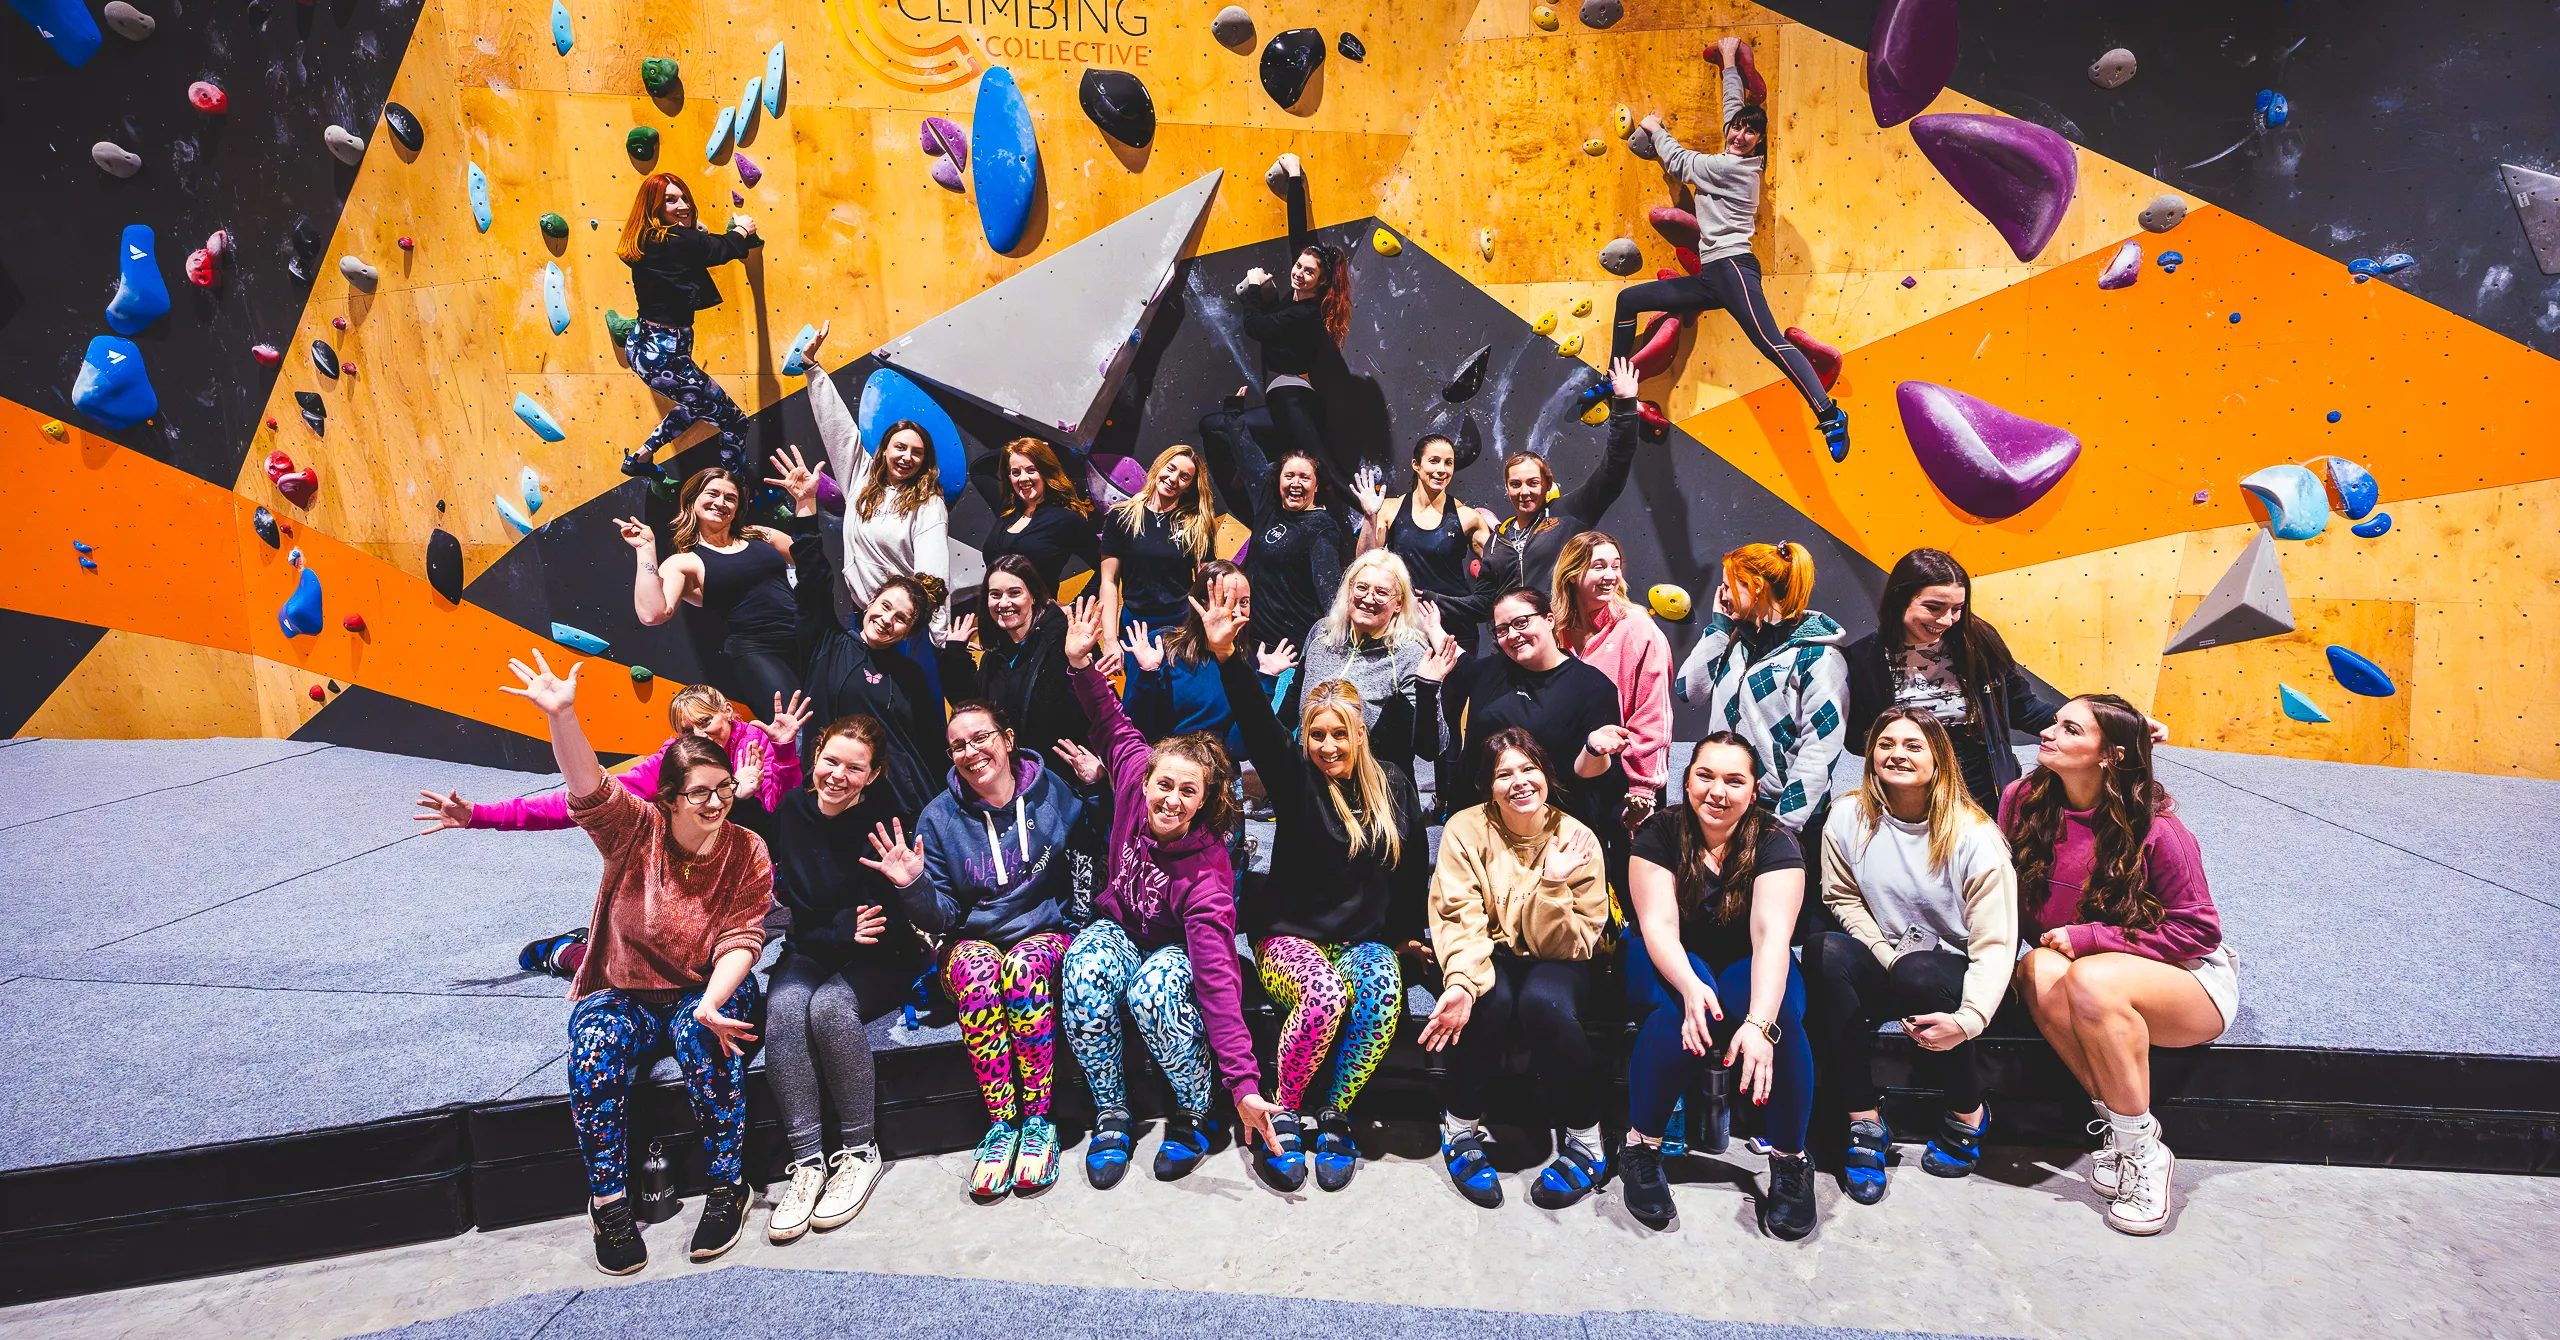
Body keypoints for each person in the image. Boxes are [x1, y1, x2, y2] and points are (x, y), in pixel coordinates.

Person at [496, 650, 771, 1275]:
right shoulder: (633, 829)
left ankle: (729, 1185)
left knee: (704, 1035)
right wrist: (563, 717)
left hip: (703, 989)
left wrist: (710, 1002)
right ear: (669, 798)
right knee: (592, 1045)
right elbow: (587, 785)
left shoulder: (747, 849)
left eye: (725, 789)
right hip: (626, 990)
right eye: (700, 793)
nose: (716, 802)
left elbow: (743, 938)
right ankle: (610, 1202)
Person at [1199, 579, 1429, 1194]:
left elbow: (1410, 870)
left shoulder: (1396, 786)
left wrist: (1407, 936)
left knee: (1383, 994)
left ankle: (1335, 1115)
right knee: (1322, 995)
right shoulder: (1296, 777)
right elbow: (1254, 717)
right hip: (1289, 937)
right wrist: (1228, 657)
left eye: (1339, 734)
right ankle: (1288, 1110)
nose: (1328, 746)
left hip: (1362, 939)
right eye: (1317, 734)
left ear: (1360, 735)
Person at [1055, 597, 1282, 1188]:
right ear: (1146, 780)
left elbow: (1215, 980)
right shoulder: (1132, 774)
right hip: (1124, 927)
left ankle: (1199, 1112)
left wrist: (1246, 1086)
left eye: (1188, 792)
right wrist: (1081, 667)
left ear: (1204, 802)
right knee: (1083, 963)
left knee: (1156, 989)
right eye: (1165, 785)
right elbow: (1110, 721)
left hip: (1176, 950)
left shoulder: (1207, 876)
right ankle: (1112, 1113)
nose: (1171, 800)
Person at [2004, 695, 2235, 1237]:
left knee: (2090, 975)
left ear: (2108, 755)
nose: (2047, 733)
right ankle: (2129, 1134)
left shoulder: (2160, 830)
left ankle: (2145, 1157)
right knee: (2035, 968)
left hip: (2187, 981)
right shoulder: (2022, 800)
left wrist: (2091, 938)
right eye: (2053, 723)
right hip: (2090, 976)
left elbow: (2197, 931)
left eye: (2069, 730)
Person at [415, 684, 805, 979]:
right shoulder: (674, 762)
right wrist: (481, 815)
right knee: (658, 972)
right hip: (692, 876)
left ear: (728, 713)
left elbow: (786, 815)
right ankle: (569, 952)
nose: (700, 734)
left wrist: (784, 753)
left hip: (759, 874)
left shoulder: (754, 745)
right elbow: (585, 802)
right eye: (688, 729)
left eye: (706, 721)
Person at [865, 699, 1086, 1200]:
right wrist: (914, 887)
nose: (971, 750)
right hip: (972, 939)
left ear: (1006, 739)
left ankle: (1038, 1122)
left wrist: (1095, 785)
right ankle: (1002, 1125)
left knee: (1025, 973)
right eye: (958, 745)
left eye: (980, 737)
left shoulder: (1053, 793)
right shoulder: (938, 818)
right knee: (977, 973)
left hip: (1042, 932)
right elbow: (940, 917)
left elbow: (1089, 843)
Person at [1802, 709, 2016, 1207]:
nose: (1897, 754)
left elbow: (1997, 942)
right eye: (1886, 743)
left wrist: (1970, 1018)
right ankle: (1864, 1122)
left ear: (1939, 760)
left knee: (1920, 974)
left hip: (1958, 973)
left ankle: (1967, 1113)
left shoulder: (1975, 837)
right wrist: (1883, 953)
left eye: (1913, 746)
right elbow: (1841, 898)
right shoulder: (1847, 815)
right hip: (1892, 956)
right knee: (1823, 952)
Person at [1617, 734, 1817, 1239]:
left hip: (1747, 957)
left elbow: (1773, 937)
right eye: (1705, 775)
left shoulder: (1776, 841)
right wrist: (1689, 987)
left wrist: (1760, 1023)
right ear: (1687, 778)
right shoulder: (1659, 832)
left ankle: (1791, 1160)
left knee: (1782, 1020)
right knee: (1687, 1012)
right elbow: (1659, 926)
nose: (1717, 791)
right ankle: (1641, 1146)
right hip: (1666, 954)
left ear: (1753, 791)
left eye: (1734, 780)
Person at [1622, 39, 1850, 462]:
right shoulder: (1738, 149)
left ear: (1759, 143)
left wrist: (1655, 129)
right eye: (1738, 129)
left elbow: (1682, 164)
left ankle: (1831, 414)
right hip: (1711, 275)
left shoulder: (1732, 170)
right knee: (1628, 299)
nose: (1739, 135)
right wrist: (1729, 63)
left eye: (1750, 133)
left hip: (1731, 267)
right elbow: (1733, 114)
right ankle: (1612, 378)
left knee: (1771, 343)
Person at [1420, 731, 1609, 1210]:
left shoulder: (1577, 838)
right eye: (1505, 774)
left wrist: (1551, 882)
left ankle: (1587, 1136)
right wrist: (1462, 981)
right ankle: (1460, 1125)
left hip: (1561, 957)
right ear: (1488, 786)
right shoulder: (1465, 829)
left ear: (1547, 775)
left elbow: (1573, 942)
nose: (1519, 782)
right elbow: (1459, 916)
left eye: (1529, 769)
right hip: (1488, 951)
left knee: (1543, 1004)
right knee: (1486, 1000)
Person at [1845, 548, 2167, 816]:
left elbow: (2023, 707)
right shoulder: (1864, 658)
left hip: (1984, 782)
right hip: (1910, 788)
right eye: (1933, 607)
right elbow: (1855, 739)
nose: (1946, 620)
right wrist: (1909, 746)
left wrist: (2117, 725)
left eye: (1957, 609)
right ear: (1900, 599)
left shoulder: (1978, 641)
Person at [760, 714, 920, 1242]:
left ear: (872, 776)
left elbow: (882, 925)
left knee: (828, 1007)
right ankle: (806, 1164)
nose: (838, 775)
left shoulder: (885, 822)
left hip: (884, 955)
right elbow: (800, 910)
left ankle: (859, 1150)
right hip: (817, 944)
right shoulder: (792, 811)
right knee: (783, 1010)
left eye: (855, 768)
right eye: (831, 760)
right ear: (816, 756)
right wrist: (836, 930)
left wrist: (838, 929)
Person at [769, 448, 945, 815]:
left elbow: (930, 746)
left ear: (909, 631)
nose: (887, 619)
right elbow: (815, 578)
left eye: (901, 618)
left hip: (897, 807)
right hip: (828, 794)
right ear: (870, 602)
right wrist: (805, 506)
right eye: (884, 606)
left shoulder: (910, 677)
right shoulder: (827, 644)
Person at [1673, 541, 1850, 878]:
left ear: (1756, 588)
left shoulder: (1818, 658)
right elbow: (1687, 692)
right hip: (1724, 806)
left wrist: (1782, 830)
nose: (1721, 592)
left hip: (1779, 820)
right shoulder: (1735, 641)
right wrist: (1718, 629)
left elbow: (1820, 751)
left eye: (1729, 583)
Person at [1438, 587, 1629, 839]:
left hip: (1546, 827)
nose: (1513, 635)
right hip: (1477, 819)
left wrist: (1593, 749)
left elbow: (1595, 779)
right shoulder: (1490, 670)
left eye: (1521, 622)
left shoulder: (1592, 687)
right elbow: (1457, 658)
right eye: (1502, 629)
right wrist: (1429, 623)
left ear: (1549, 620)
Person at [796, 323, 950, 634]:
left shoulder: (929, 504)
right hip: (862, 615)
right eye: (900, 447)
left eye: (916, 453)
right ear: (884, 451)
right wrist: (812, 368)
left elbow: (934, 574)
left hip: (903, 626)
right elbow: (838, 429)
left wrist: (939, 637)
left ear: (925, 461)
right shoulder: (861, 478)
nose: (907, 457)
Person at [619, 467, 799, 716]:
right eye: (712, 494)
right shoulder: (684, 563)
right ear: (692, 500)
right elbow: (653, 614)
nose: (721, 503)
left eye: (730, 498)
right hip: (759, 651)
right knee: (794, 721)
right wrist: (646, 549)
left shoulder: (761, 535)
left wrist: (805, 500)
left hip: (807, 636)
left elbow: (811, 559)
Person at [615, 173, 760, 478]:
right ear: (653, 204)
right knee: (736, 423)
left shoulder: (645, 238)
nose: (681, 204)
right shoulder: (676, 241)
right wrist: (743, 229)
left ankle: (640, 458)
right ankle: (736, 488)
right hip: (668, 357)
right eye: (670, 199)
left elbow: (692, 249)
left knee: (698, 402)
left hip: (643, 348)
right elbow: (721, 248)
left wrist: (693, 230)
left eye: (683, 197)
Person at [1552, 530, 1673, 888]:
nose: (1610, 575)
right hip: (1570, 776)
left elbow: (1653, 716)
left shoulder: (1638, 630)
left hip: (1625, 780)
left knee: (1629, 879)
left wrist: (1642, 789)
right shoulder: (1555, 628)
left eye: (1615, 566)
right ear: (1573, 574)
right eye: (1598, 566)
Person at [1234, 152, 1358, 496]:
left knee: (1320, 461)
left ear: (1321, 282)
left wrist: (1253, 290)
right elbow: (1298, 233)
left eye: (1308, 272)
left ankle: (1363, 508)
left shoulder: (1306, 311)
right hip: (1285, 389)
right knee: (1304, 459)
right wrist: (1293, 178)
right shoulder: (1301, 294)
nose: (1298, 273)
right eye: (1299, 267)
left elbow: (1257, 328)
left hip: (1291, 391)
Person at [1475, 360, 1645, 608]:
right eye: (1516, 484)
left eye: (1533, 482)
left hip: (1564, 639)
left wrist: (1626, 405)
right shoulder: (1499, 539)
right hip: (1511, 643)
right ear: (1507, 489)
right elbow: (1481, 603)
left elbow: (1613, 470)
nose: (1524, 491)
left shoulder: (1568, 514)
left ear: (1547, 484)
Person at [1198, 398, 1345, 658]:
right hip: (1252, 639)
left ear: (1316, 486)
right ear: (1279, 480)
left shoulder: (1321, 528)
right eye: (1289, 476)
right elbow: (1249, 461)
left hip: (1289, 650)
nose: (1295, 483)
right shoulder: (1269, 507)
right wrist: (1234, 416)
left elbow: (1331, 595)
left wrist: (1336, 648)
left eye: (1304, 477)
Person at [1296, 550, 1446, 781]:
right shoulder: (1322, 633)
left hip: (1375, 790)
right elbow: (1293, 705)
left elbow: (1430, 749)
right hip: (1312, 783)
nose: (1368, 599)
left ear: (1399, 603)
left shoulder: (1410, 655)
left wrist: (1428, 688)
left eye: (1381, 592)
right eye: (1362, 587)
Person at [936, 556, 1092, 766]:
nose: (1004, 603)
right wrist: (954, 655)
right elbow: (974, 710)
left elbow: (1093, 712)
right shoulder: (996, 653)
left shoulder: (1066, 640)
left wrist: (1087, 672)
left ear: (1033, 596)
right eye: (995, 595)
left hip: (1062, 774)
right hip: (1013, 773)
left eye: (1014, 593)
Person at [1352, 434, 1495, 652]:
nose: (1441, 470)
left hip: (1455, 629)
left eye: (1448, 463)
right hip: (1407, 628)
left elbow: (1503, 566)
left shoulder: (1467, 518)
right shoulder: (1390, 509)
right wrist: (1370, 517)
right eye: (1434, 461)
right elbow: (1365, 563)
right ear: (1416, 465)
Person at [1099, 442, 1218, 636]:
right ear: (1159, 467)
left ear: (1189, 486)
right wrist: (1110, 639)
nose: (1173, 479)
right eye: (1170, 469)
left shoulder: (1197, 524)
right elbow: (1109, 582)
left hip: (1181, 624)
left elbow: (1206, 587)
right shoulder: (1121, 516)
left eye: (1184, 477)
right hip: (1134, 624)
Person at [976, 436, 1100, 588]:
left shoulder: (1065, 519)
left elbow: (1105, 565)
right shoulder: (1008, 509)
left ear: (1045, 473)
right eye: (1015, 472)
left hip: (1039, 611)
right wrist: (1014, 449)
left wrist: (1075, 606)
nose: (1023, 478)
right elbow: (978, 470)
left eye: (1031, 470)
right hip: (996, 608)